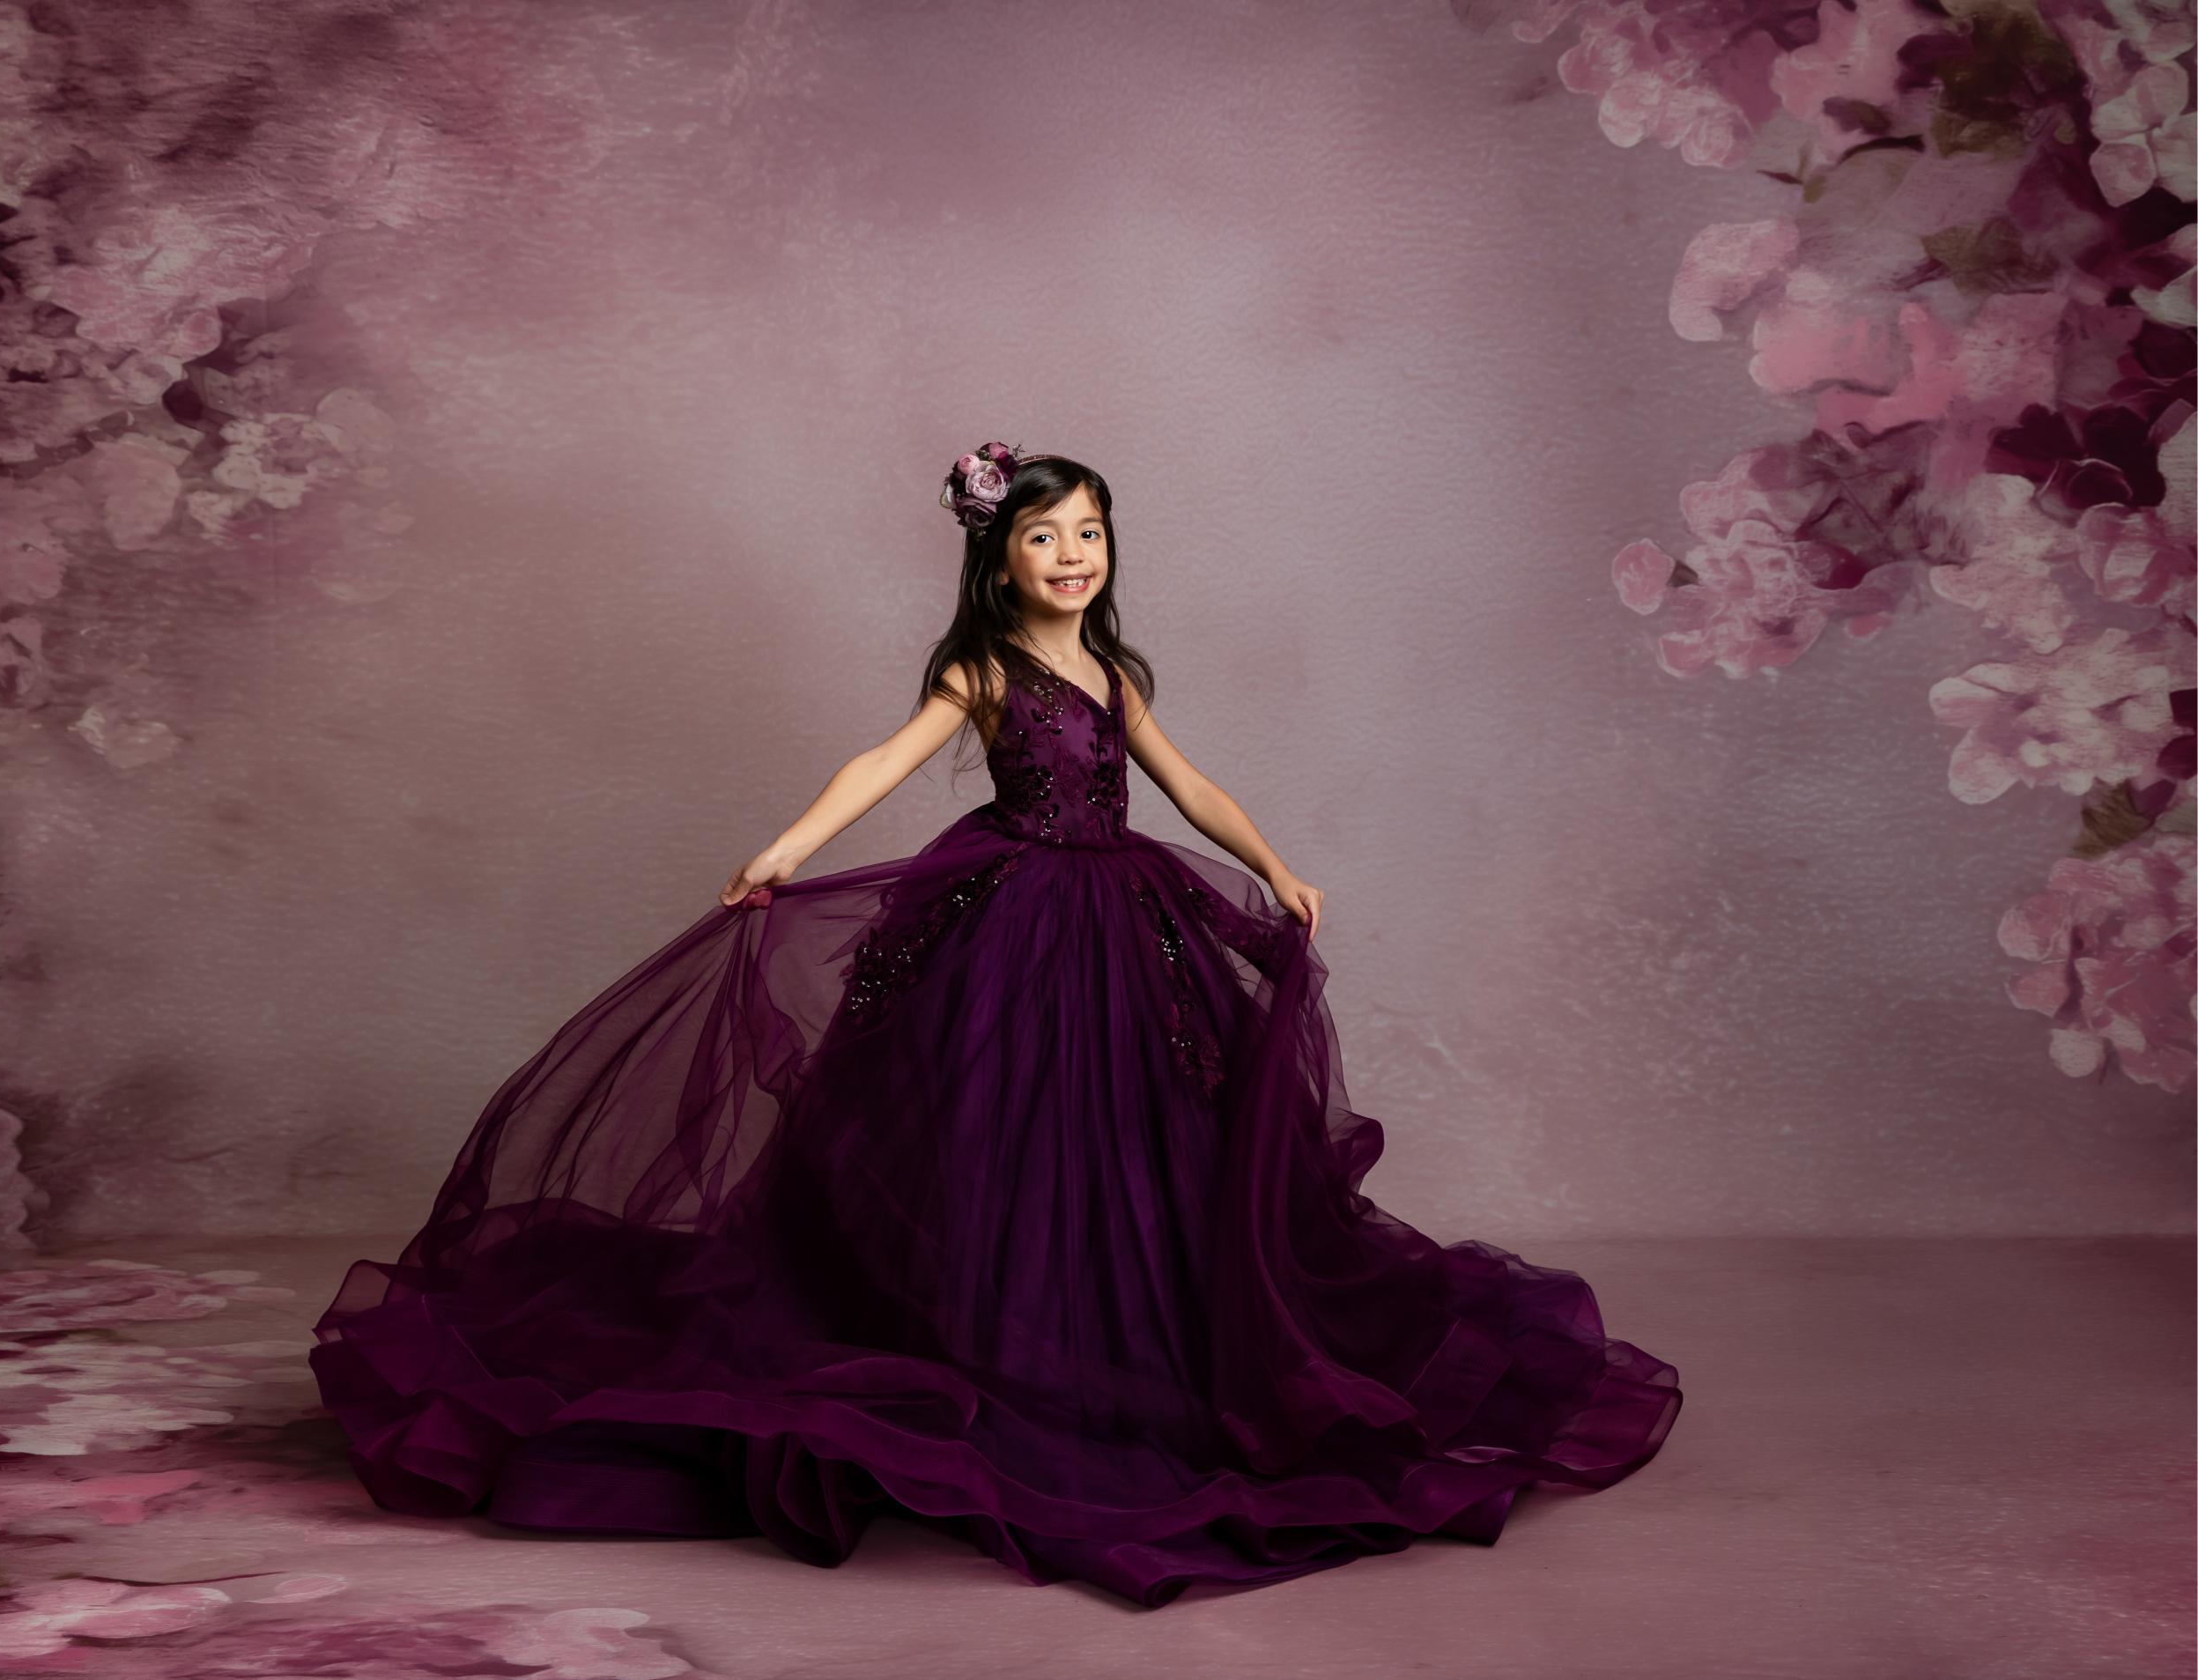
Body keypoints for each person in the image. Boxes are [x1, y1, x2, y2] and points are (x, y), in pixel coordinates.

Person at [307, 442, 1684, 1609]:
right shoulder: (982, 672)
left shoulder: (1114, 672)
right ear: (999, 557)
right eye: (1044, 536)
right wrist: (783, 848)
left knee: (1141, 1145)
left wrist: (1273, 866)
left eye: (1089, 533)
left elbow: (1188, 784)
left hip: (1119, 928)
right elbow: (880, 762)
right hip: (1010, 921)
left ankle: (1116, 1356)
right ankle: (998, 1354)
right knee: (995, 1135)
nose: (1072, 555)